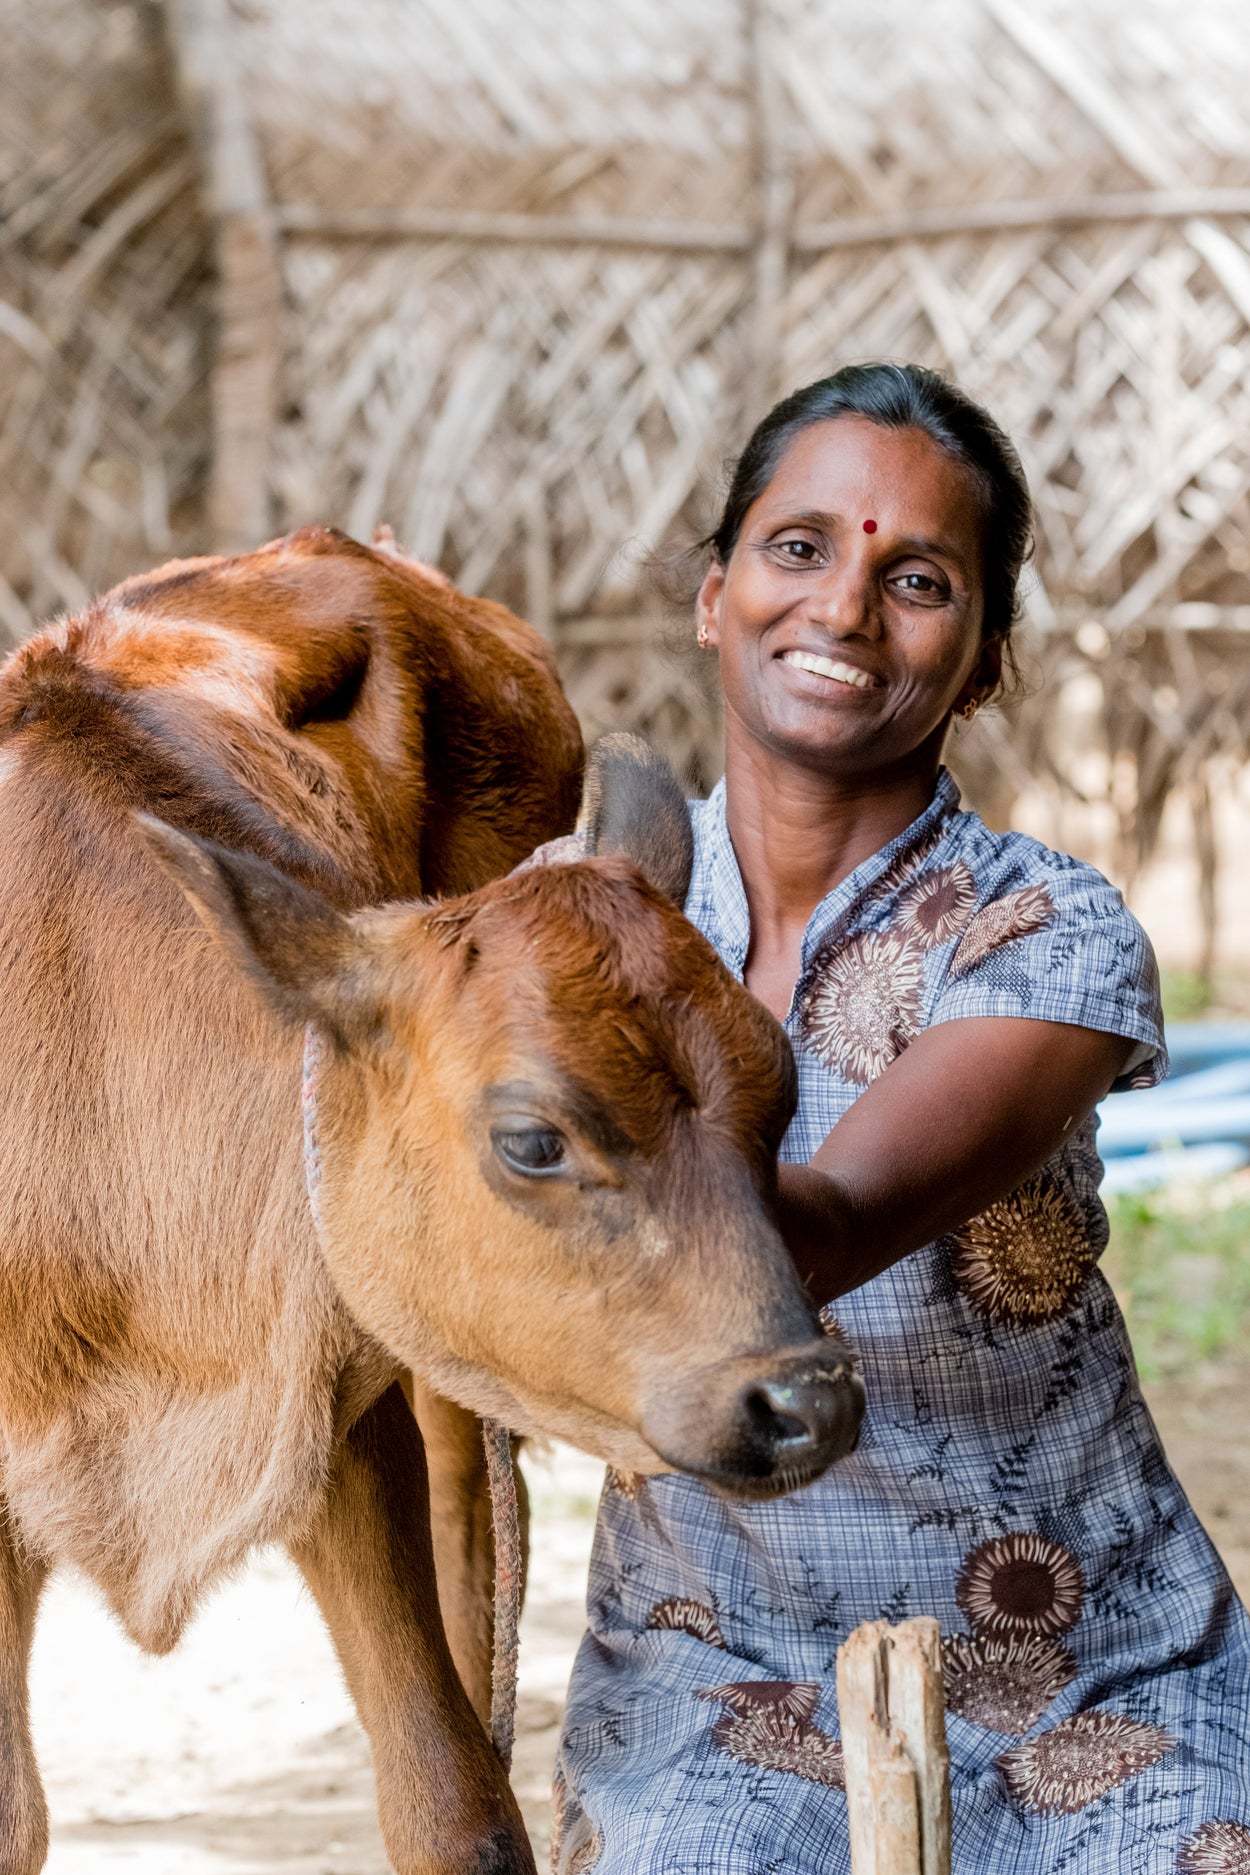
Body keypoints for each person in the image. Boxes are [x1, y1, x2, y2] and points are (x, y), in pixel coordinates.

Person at [551, 364, 1250, 1873]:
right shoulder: (567, 934)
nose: (845, 610)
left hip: (1088, 1664)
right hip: (715, 1674)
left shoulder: (1045, 936)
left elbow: (828, 1226)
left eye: (915, 579)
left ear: (983, 661)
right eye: (797, 549)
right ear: (710, 592)